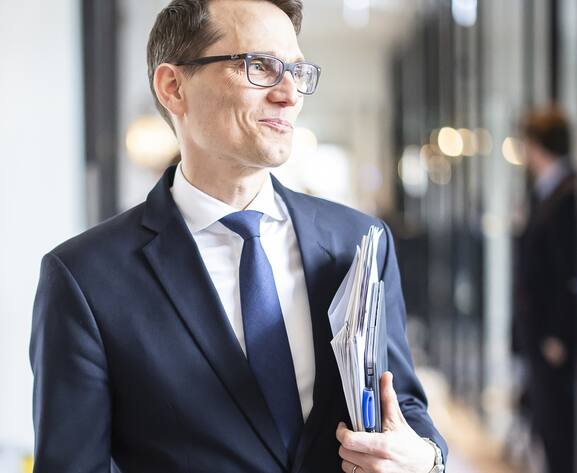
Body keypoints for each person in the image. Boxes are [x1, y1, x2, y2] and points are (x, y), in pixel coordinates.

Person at [29, 1, 446, 472]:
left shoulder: (359, 240)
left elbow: (403, 406)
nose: (289, 94)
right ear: (173, 87)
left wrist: (427, 458)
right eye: (261, 67)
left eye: (297, 70)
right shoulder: (86, 278)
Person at [512, 105, 577, 473]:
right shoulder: (545, 193)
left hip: (554, 340)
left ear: (536, 146)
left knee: (560, 432)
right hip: (540, 335)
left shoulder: (569, 195)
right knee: (547, 428)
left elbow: (568, 270)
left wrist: (558, 332)